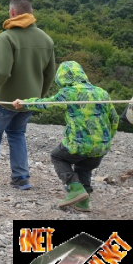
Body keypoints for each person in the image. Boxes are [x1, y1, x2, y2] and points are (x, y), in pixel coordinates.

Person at [0, 0, 56, 190]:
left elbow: (1, 72)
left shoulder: (7, 37)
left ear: (12, 12)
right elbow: (50, 74)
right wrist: (37, 97)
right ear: (32, 13)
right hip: (29, 102)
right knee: (17, 134)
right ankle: (21, 178)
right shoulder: (46, 39)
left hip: (5, 101)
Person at [12, 61, 119, 212]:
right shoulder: (102, 92)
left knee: (58, 156)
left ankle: (75, 189)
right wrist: (106, 139)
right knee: (84, 167)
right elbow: (114, 119)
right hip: (101, 147)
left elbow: (47, 104)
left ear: (62, 77)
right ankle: (83, 202)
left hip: (79, 144)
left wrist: (24, 103)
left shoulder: (69, 93)